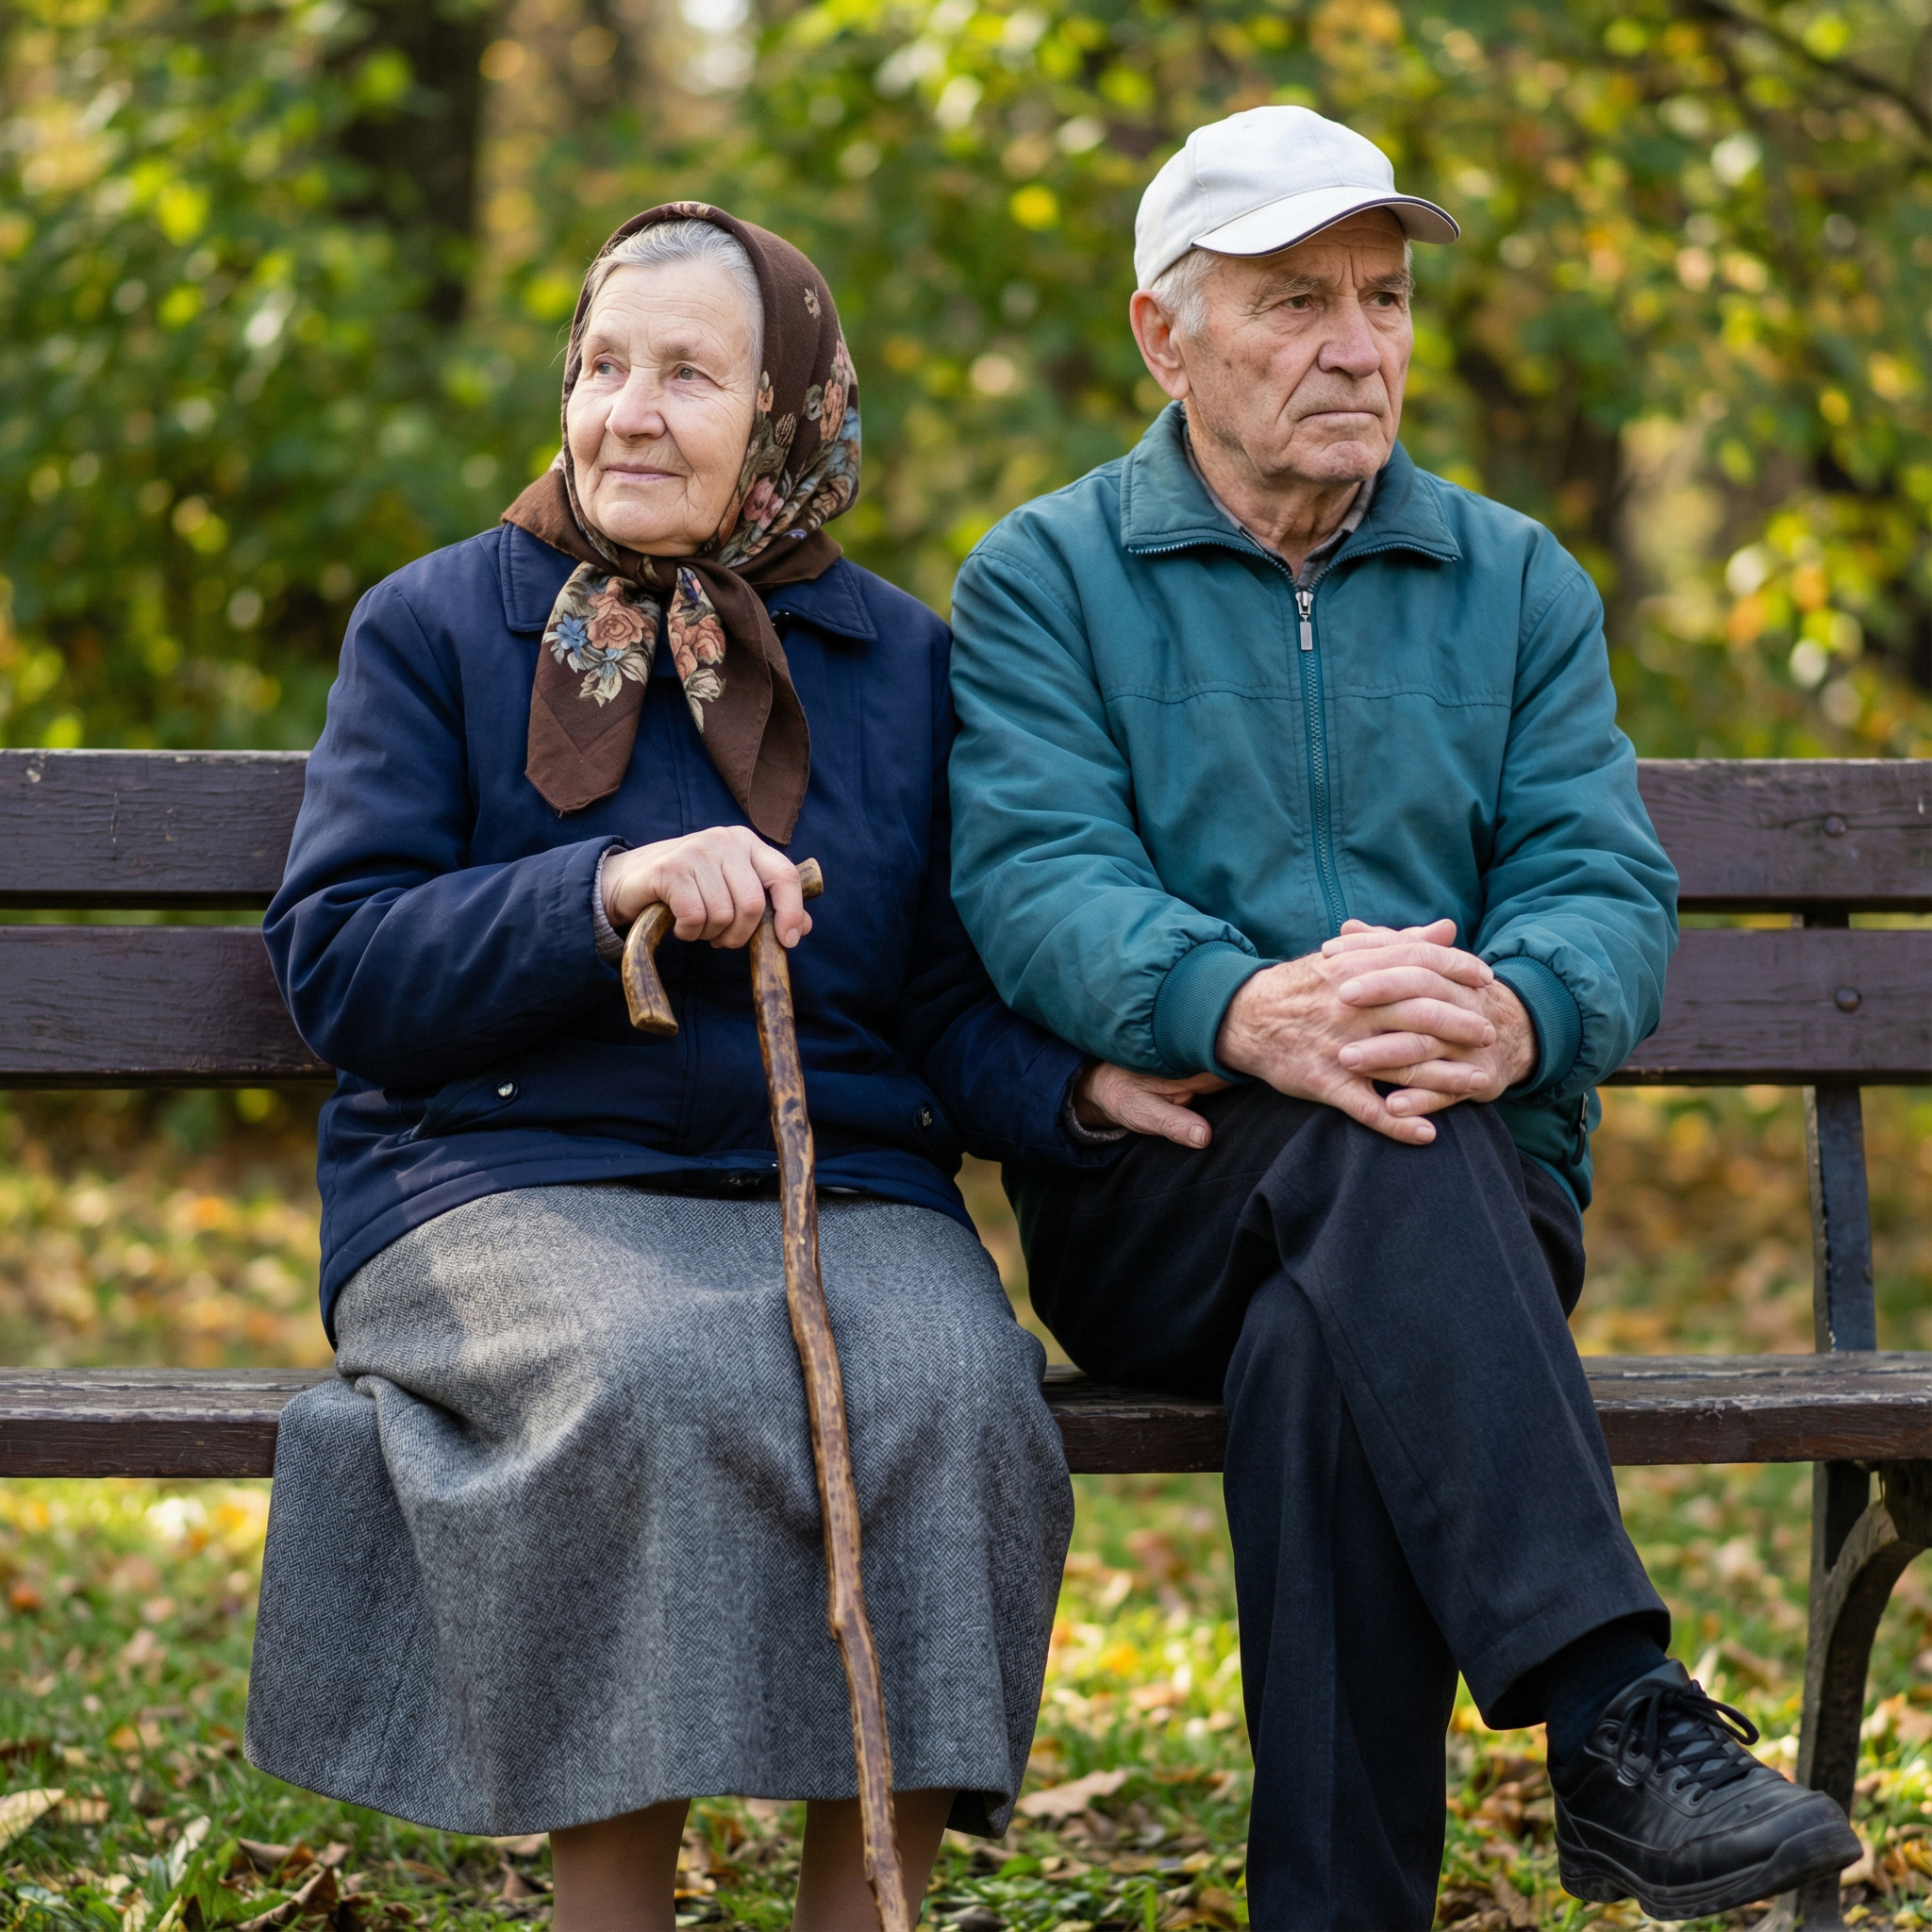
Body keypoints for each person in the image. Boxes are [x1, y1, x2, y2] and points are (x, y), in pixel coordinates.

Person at [945, 107, 1861, 1930]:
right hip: (1169, 1192)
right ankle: (1613, 1710)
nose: (1355, 344)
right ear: (1164, 334)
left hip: (1467, 1202)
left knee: (1343, 1306)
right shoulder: (1044, 580)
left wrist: (1520, 1015)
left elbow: (1605, 887)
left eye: (1381, 296)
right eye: (1292, 301)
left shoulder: (1516, 581)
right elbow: (1037, 879)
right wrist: (1243, 1004)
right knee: (1369, 1150)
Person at [247, 206, 1153, 1932]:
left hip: (841, 1187)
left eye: (688, 374)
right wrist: (603, 893)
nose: (627, 413)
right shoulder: (435, 628)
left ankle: (860, 1911)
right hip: (496, 1178)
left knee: (953, 1390)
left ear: (790, 413)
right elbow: (342, 967)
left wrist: (1073, 1093)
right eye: (602, 366)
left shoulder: (901, 660)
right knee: (656, 1374)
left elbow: (946, 1005)